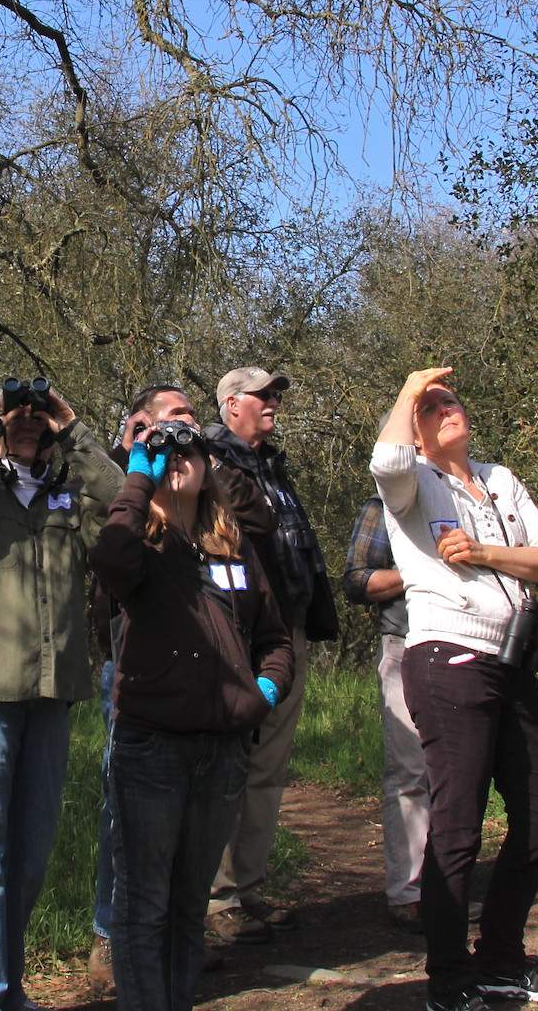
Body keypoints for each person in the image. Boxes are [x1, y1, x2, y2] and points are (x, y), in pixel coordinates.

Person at [370, 367, 538, 1010]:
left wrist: (485, 553)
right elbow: (384, 460)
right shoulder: (411, 487)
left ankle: (500, 960)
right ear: (416, 429)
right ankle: (449, 978)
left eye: (450, 401)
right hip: (446, 658)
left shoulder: (501, 481)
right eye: (430, 410)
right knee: (458, 825)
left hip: (513, 663)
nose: (445, 410)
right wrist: (411, 386)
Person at [90, 423, 294, 1011]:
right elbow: (108, 557)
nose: (177, 460)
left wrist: (262, 692)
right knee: (143, 905)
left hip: (223, 749)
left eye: (188, 452)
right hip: (150, 747)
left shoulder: (234, 545)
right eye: (165, 452)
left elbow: (276, 640)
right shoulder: (138, 542)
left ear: (209, 468)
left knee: (187, 907)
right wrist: (137, 473)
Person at [0, 379, 122, 1011]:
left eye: (36, 419)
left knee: (30, 853)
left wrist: (77, 432)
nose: (26, 423)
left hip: (53, 687)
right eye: (16, 417)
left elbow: (124, 516)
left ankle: (5, 991)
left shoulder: (69, 489)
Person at [203, 367, 337, 944]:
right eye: (265, 396)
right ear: (233, 404)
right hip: (243, 634)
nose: (275, 403)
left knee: (269, 767)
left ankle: (246, 887)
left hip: (289, 630)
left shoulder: (272, 464)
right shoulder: (212, 459)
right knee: (230, 764)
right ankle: (215, 898)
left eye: (276, 395)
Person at [342, 492, 427, 934]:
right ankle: (409, 892)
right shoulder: (381, 507)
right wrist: (419, 572)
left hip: (468, 648)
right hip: (405, 645)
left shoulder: (461, 498)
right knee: (411, 771)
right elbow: (356, 580)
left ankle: (449, 883)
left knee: (459, 772)